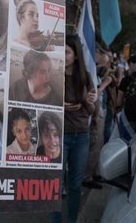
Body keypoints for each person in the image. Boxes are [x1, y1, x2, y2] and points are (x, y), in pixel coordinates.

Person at [52, 34, 96, 223]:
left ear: (76, 55)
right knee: (55, 184)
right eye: (61, 50)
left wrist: (88, 101)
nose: (64, 54)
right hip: (59, 136)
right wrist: (60, 105)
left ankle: (71, 220)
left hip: (81, 136)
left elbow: (92, 110)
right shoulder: (53, 74)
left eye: (67, 51)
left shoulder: (85, 77)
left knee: (75, 185)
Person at [117, 53, 136, 131]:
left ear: (135, 64)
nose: (129, 67)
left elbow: (119, 102)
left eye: (130, 64)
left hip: (128, 117)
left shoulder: (126, 79)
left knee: (125, 141)